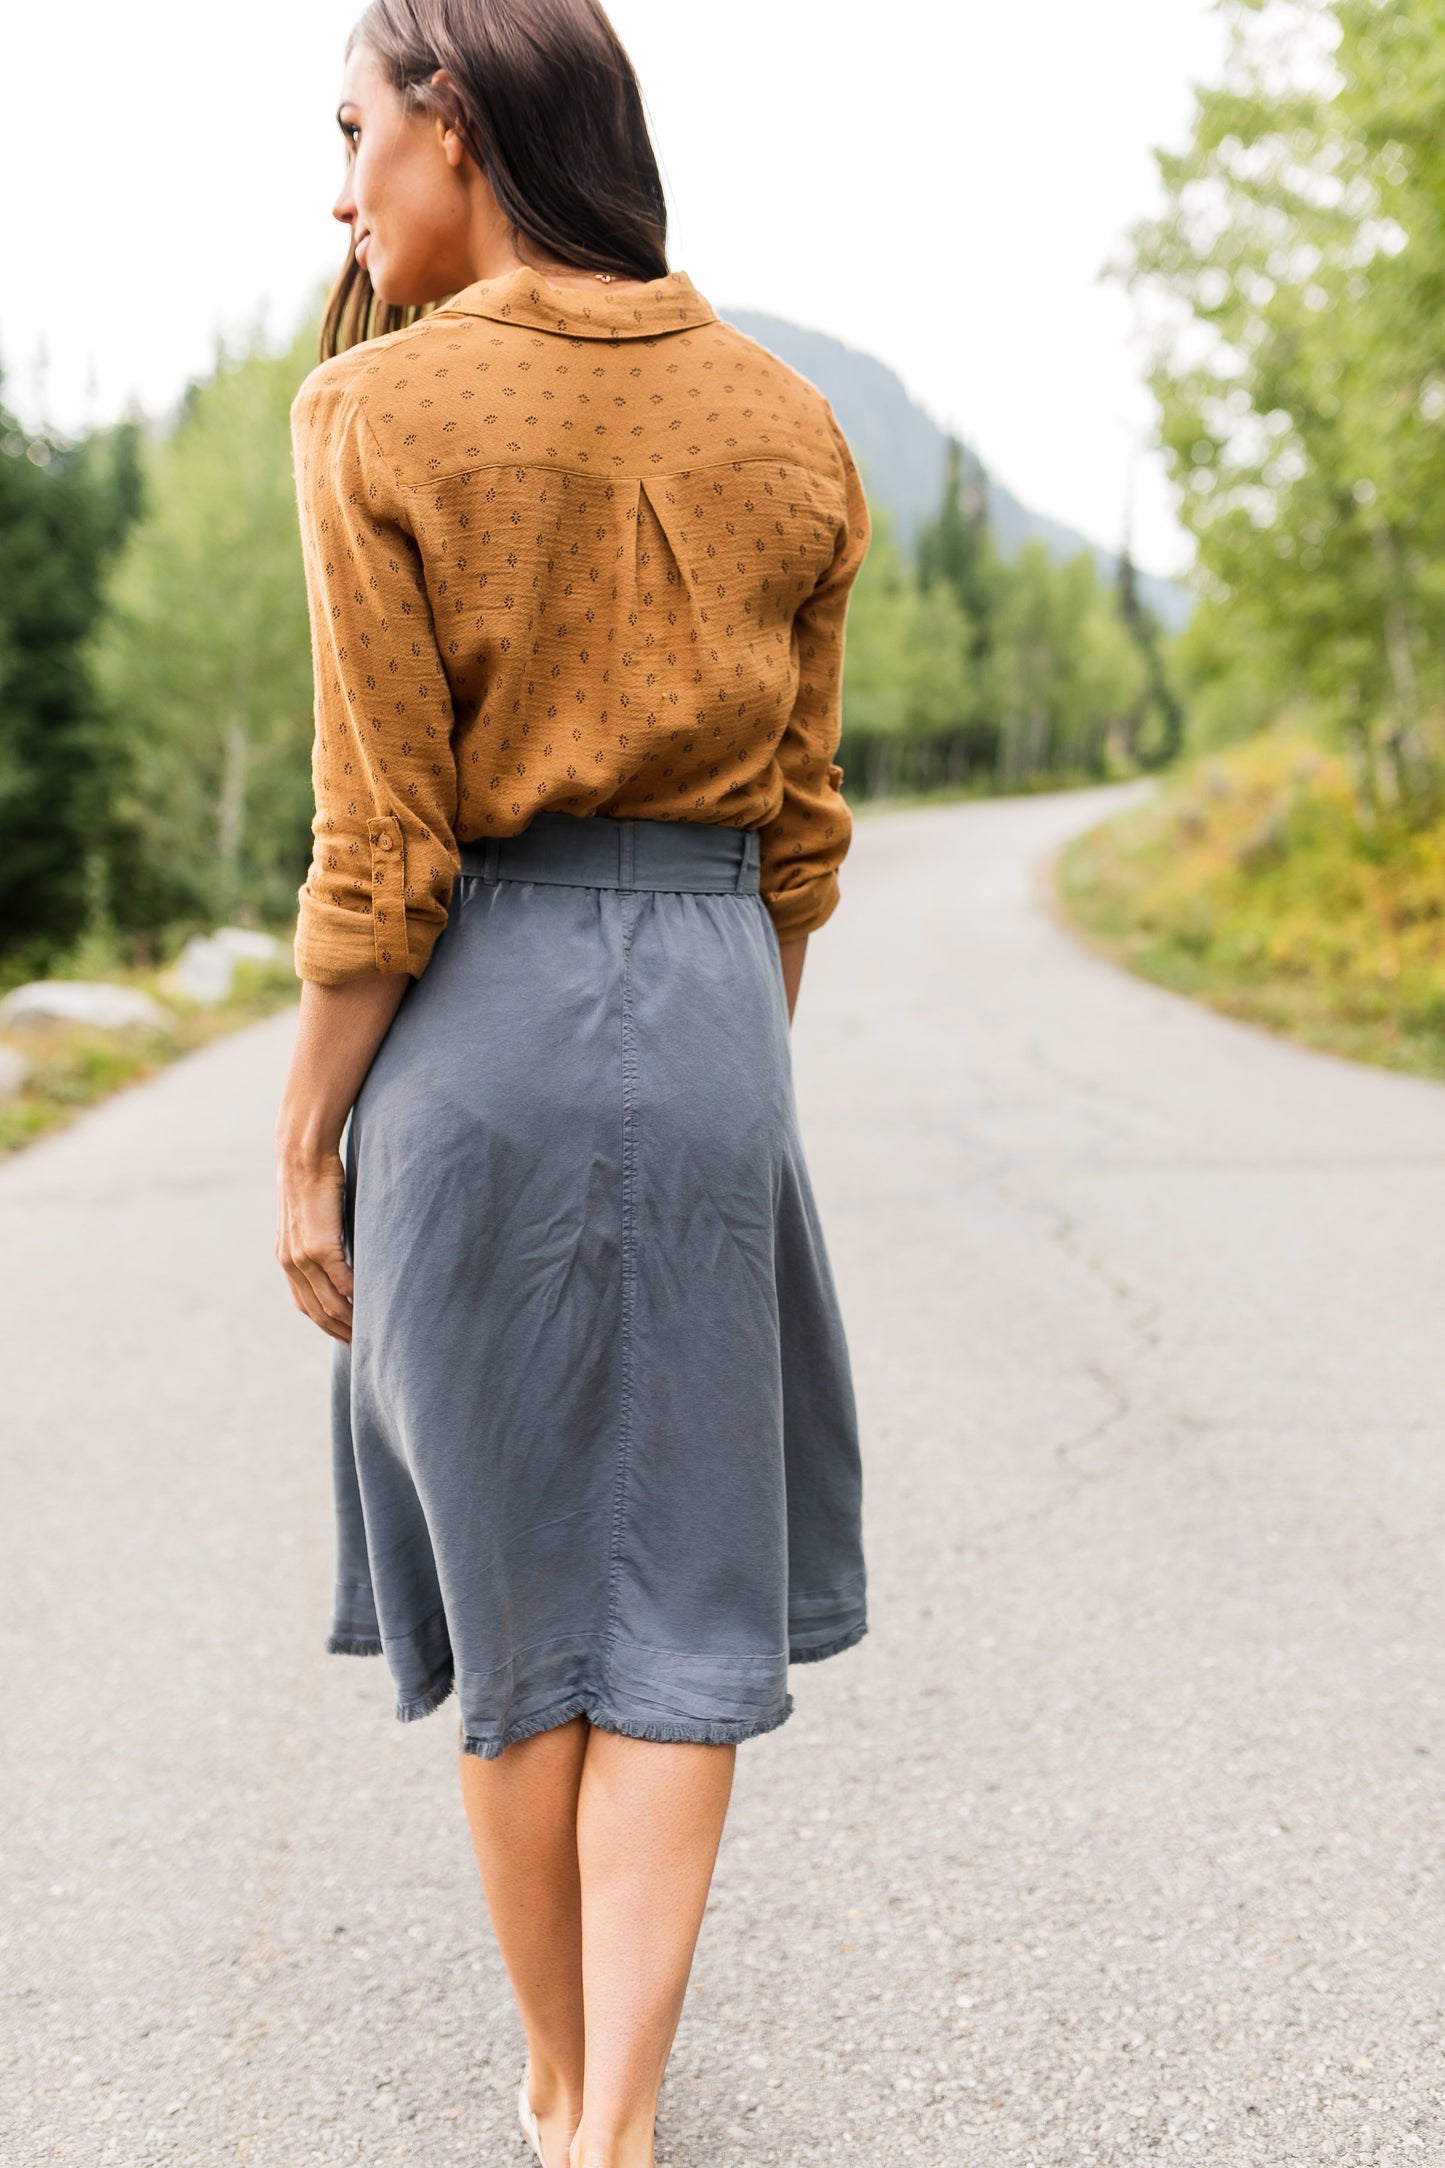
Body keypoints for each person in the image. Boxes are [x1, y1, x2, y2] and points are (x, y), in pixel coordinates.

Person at [272, 4, 869, 2163]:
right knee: (686, 1582)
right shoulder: (794, 419)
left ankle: (562, 2097)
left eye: (352, 133)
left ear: (454, 116)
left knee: (524, 1602)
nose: (341, 190)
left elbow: (382, 846)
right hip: (716, 996)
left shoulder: (373, 412)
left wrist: (304, 1135)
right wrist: (722, 1051)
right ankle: (623, 2107)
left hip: (477, 1032)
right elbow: (801, 838)